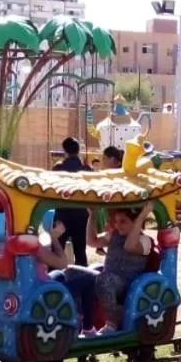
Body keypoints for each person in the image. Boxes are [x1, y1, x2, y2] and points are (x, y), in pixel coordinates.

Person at [87, 202, 153, 333]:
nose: (117, 225)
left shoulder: (144, 240)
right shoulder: (114, 234)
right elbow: (92, 242)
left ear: (135, 222)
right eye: (116, 221)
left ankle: (112, 324)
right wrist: (92, 215)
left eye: (123, 222)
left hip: (127, 284)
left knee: (104, 279)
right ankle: (83, 324)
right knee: (73, 273)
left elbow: (129, 246)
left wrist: (141, 217)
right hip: (109, 278)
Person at [38, 216, 98, 332]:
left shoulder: (41, 239)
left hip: (42, 280)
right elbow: (63, 263)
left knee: (60, 274)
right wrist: (54, 238)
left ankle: (77, 313)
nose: (63, 223)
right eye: (58, 222)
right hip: (41, 288)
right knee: (90, 279)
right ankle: (87, 327)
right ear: (52, 226)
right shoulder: (41, 245)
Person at [53, 137, 91, 266]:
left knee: (57, 249)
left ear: (64, 150)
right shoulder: (86, 169)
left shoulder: (58, 168)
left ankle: (54, 274)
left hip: (62, 213)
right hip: (81, 214)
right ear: (78, 150)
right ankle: (82, 274)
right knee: (80, 251)